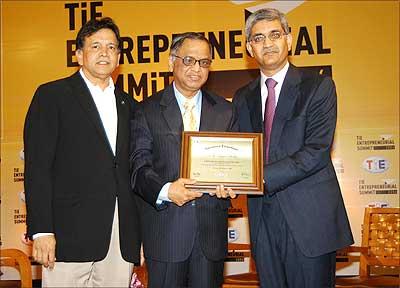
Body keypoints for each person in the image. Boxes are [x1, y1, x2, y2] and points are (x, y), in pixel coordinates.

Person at [233, 8, 354, 288]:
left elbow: (316, 151)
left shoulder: (318, 86)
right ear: (250, 48)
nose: (268, 43)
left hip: (308, 219)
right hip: (263, 219)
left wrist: (258, 177)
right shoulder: (242, 97)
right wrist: (226, 177)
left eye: (275, 34)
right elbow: (238, 150)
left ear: (289, 40)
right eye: (258, 38)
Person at [24, 17, 140, 287]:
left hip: (119, 234)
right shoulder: (52, 96)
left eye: (112, 47)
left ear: (119, 56)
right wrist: (41, 229)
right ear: (78, 55)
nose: (104, 53)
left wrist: (139, 238)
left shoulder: (130, 105)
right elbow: (38, 167)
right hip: (67, 234)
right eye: (96, 46)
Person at [130, 32, 237, 288]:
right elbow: (137, 167)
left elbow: (234, 165)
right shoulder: (145, 110)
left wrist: (231, 184)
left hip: (210, 234)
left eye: (204, 62)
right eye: (189, 60)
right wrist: (166, 190)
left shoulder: (226, 110)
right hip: (165, 233)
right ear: (171, 62)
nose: (196, 69)